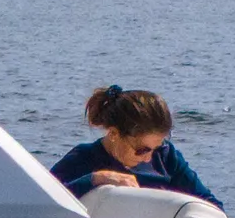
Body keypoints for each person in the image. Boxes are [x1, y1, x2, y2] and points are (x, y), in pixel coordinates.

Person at [50, 84, 222, 206]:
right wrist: (95, 179)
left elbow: (211, 205)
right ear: (114, 134)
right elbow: (43, 203)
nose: (148, 158)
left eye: (155, 148)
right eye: (141, 150)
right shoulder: (83, 158)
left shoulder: (166, 157)